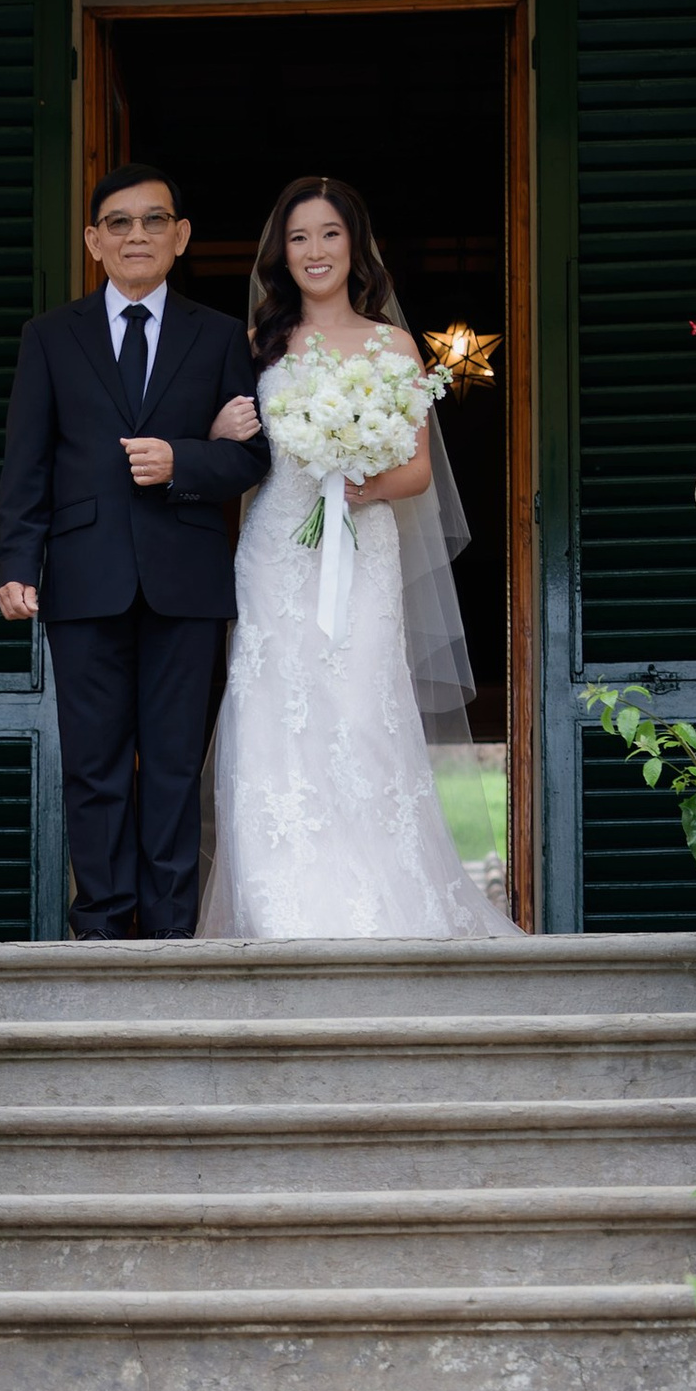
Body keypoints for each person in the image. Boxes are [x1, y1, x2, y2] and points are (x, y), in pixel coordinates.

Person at [198, 176, 512, 942]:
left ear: (355, 246)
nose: (314, 251)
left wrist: (359, 475)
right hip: (277, 548)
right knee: (276, 713)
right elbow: (233, 455)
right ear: (281, 253)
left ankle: (383, 901)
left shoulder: (394, 344)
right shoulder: (257, 345)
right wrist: (217, 431)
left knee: (363, 712)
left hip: (362, 545)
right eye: (299, 237)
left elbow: (417, 472)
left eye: (329, 235)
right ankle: (281, 908)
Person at [0, 163, 268, 942]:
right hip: (82, 576)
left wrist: (185, 461)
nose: (136, 235)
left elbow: (254, 459)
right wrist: (17, 563)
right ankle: (104, 928)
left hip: (186, 577)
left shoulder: (219, 337)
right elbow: (27, 461)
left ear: (180, 238)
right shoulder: (49, 337)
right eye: (119, 222)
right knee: (94, 766)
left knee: (176, 765)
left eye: (154, 221)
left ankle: (173, 930)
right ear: (93, 240)